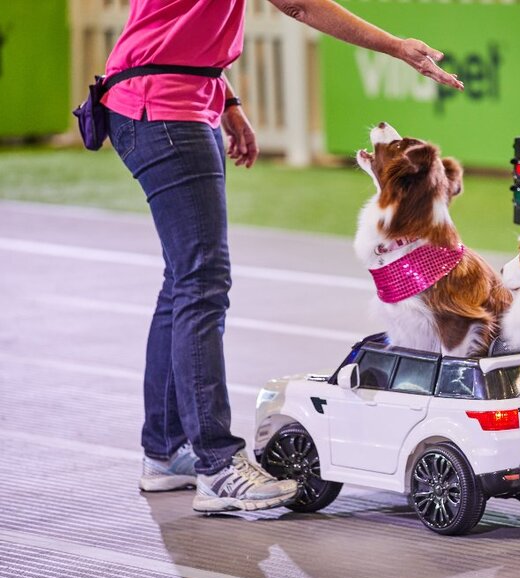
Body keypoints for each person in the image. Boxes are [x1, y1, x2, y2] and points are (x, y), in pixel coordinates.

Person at [103, 0, 463, 513]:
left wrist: (225, 99)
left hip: (174, 96)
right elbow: (300, 4)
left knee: (186, 280)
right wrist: (397, 47)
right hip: (163, 107)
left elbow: (177, 22)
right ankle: (216, 466)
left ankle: (166, 453)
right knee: (202, 283)